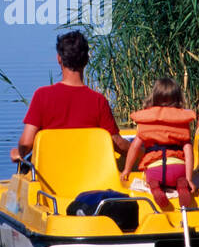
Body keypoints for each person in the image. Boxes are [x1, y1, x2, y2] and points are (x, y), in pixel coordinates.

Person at [10, 31, 129, 163]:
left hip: (49, 175)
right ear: (86, 60)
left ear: (59, 59)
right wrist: (142, 152)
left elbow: (26, 143)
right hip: (86, 174)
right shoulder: (98, 101)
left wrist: (19, 153)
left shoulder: (42, 96)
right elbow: (117, 142)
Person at [120, 77, 197, 211]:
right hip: (178, 168)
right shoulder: (181, 122)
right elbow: (188, 151)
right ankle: (182, 185)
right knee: (180, 178)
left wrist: (127, 169)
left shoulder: (146, 121)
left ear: (154, 97)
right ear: (177, 98)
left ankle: (154, 186)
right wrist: (189, 178)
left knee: (150, 178)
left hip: (155, 170)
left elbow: (134, 147)